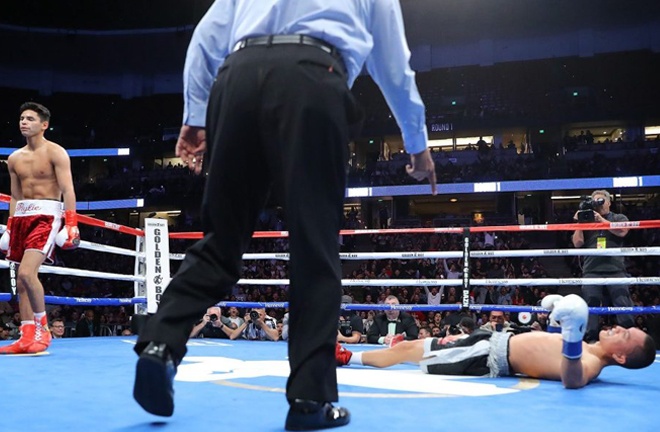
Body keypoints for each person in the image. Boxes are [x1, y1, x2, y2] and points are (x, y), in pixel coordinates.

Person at [132, 1, 436, 429]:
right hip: (312, 77)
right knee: (314, 245)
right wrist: (417, 142)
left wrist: (195, 116)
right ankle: (310, 400)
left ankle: (159, 344)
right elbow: (392, 61)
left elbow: (206, 37)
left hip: (237, 78)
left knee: (221, 240)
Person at [336, 295, 656, 389]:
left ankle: (347, 358)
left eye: (625, 336)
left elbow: (573, 379)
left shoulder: (589, 363)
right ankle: (349, 357)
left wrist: (570, 337)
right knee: (410, 350)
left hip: (489, 356)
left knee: (407, 350)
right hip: (490, 341)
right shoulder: (587, 346)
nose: (617, 329)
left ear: (622, 358)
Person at [0, 102, 79, 355]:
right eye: (22, 118)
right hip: (21, 217)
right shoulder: (14, 158)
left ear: (44, 125)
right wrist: (10, 227)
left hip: (47, 216)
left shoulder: (56, 152)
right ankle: (25, 337)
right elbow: (14, 196)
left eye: (30, 119)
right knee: (21, 283)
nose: (24, 122)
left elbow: (68, 190)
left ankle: (42, 330)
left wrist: (72, 223)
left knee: (25, 273)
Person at [572, 189, 633, 342]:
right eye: (595, 202)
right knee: (591, 305)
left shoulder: (618, 217)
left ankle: (627, 339)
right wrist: (580, 222)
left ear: (609, 202)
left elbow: (622, 231)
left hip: (615, 269)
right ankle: (590, 340)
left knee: (622, 303)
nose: (598, 205)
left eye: (601, 201)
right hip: (591, 269)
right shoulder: (587, 220)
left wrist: (601, 221)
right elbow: (577, 243)